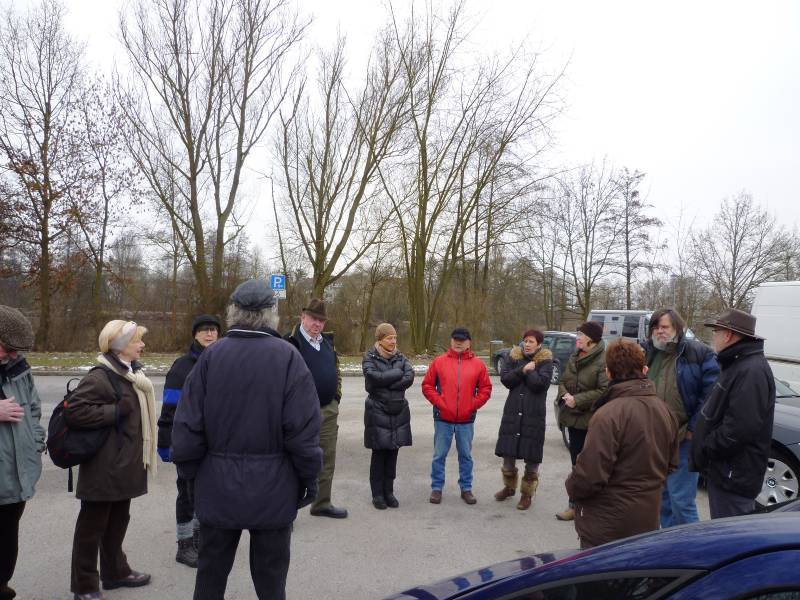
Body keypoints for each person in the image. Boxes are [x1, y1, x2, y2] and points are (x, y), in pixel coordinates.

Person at [172, 280, 322, 600]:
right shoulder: (289, 358)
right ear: (271, 314)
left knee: (210, 577)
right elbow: (303, 432)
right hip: (275, 488)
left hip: (217, 486)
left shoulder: (211, 358)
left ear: (233, 312)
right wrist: (309, 477)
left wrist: (190, 476)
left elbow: (186, 427)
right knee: (271, 583)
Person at [65, 320, 156, 600]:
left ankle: (116, 572)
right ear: (120, 345)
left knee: (117, 522)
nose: (142, 345)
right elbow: (74, 412)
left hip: (124, 463)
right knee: (91, 528)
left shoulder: (130, 373)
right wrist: (115, 412)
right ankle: (84, 586)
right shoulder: (100, 377)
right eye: (137, 340)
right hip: (103, 466)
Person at [565, 338, 679, 549]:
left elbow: (589, 476)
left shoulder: (608, 414)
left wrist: (571, 486)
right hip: (647, 518)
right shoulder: (665, 410)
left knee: (600, 571)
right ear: (644, 370)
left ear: (608, 373)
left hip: (608, 525)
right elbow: (671, 463)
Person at [691, 308, 776, 519]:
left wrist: (707, 446)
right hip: (726, 472)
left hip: (733, 477)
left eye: (716, 332)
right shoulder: (738, 364)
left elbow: (738, 429)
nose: (713, 337)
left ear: (728, 335)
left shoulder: (750, 370)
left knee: (729, 533)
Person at [644, 308, 719, 528]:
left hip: (684, 437)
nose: (659, 331)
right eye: (655, 327)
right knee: (662, 497)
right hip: (656, 438)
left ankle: (695, 545)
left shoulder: (699, 353)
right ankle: (670, 541)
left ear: (677, 328)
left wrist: (693, 429)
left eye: (664, 327)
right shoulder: (648, 352)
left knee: (681, 500)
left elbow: (711, 396)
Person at [157, 314, 221, 568]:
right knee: (186, 493)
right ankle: (184, 545)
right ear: (195, 334)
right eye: (204, 330)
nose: (209, 334)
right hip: (188, 441)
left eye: (213, 330)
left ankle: (198, 538)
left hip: (213, 443)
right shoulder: (182, 366)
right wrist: (166, 444)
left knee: (205, 493)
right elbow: (169, 410)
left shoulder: (221, 361)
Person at [285, 298, 347, 519]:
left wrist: (336, 397)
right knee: (294, 461)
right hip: (300, 414)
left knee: (326, 459)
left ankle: (322, 503)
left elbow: (336, 371)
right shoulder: (290, 343)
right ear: (303, 317)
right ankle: (287, 510)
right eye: (313, 319)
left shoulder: (327, 343)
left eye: (321, 320)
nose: (317, 324)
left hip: (328, 411)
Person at [0, 306, 43, 600]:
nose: (13, 355)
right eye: (8, 348)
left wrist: (36, 446)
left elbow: (35, 411)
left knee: (6, 542)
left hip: (17, 477)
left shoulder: (19, 369)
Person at [422, 327, 492, 505]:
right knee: (439, 455)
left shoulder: (478, 365)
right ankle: (436, 488)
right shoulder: (439, 362)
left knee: (466, 456)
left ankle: (466, 489)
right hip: (443, 418)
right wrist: (440, 402)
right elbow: (427, 385)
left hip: (466, 420)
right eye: (455, 339)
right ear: (451, 340)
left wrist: (472, 405)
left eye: (462, 340)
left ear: (469, 343)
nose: (458, 343)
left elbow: (486, 388)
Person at [494, 329, 553, 510]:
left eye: (531, 341)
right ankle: (509, 487)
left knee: (532, 457)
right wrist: (523, 369)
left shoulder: (546, 361)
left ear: (539, 344)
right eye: (525, 341)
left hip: (533, 415)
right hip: (513, 412)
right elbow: (506, 379)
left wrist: (531, 371)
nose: (527, 344)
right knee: (508, 453)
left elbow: (539, 385)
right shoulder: (514, 357)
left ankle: (527, 494)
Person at [555, 321, 608, 521]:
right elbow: (562, 381)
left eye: (580, 335)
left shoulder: (603, 360)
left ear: (591, 339)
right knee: (576, 465)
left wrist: (577, 400)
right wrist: (565, 395)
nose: (577, 338)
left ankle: (594, 508)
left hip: (592, 421)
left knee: (592, 466)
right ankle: (574, 506)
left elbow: (605, 390)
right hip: (573, 420)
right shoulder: (574, 356)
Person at [362, 323, 414, 509]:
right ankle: (377, 494)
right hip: (377, 411)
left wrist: (388, 383)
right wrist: (397, 374)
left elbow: (409, 376)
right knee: (379, 454)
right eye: (389, 338)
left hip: (398, 412)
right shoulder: (370, 357)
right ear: (380, 339)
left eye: (395, 338)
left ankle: (389, 492)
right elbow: (373, 377)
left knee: (393, 453)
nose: (393, 341)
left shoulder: (401, 357)